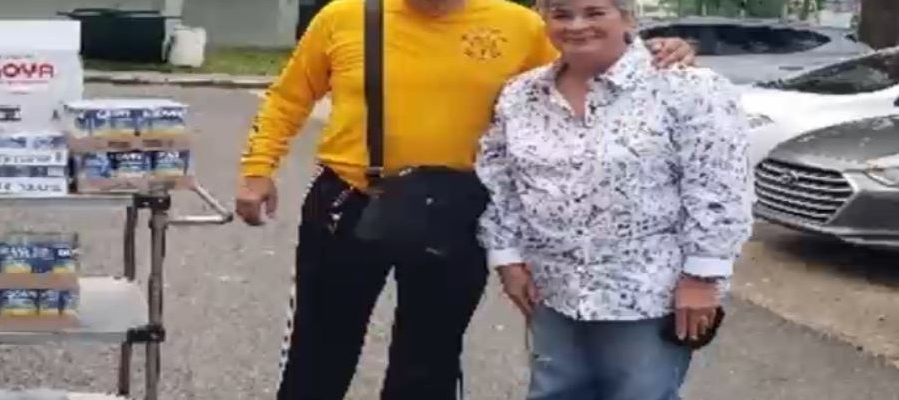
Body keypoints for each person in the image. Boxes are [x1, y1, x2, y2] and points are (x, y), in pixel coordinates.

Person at [234, 0, 697, 398]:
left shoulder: (519, 26)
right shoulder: (344, 16)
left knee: (429, 357)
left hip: (456, 211)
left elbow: (590, 63)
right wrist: (257, 170)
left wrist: (656, 51)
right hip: (350, 202)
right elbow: (287, 99)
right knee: (319, 349)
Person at [475, 0, 754, 399]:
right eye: (561, 14)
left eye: (594, 12)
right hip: (552, 288)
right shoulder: (522, 94)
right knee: (554, 393)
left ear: (627, 17)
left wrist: (703, 277)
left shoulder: (688, 87)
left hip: (646, 293)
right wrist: (506, 257)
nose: (577, 25)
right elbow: (501, 178)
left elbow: (719, 185)